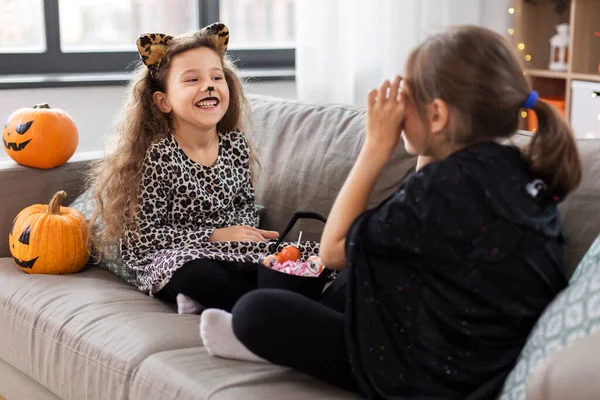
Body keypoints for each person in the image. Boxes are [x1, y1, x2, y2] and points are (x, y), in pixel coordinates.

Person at [199, 25, 583, 399]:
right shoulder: (515, 169)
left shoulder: (445, 188)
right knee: (368, 261)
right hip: (472, 354)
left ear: (437, 115)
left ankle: (267, 343)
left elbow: (332, 250)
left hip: (430, 377)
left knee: (257, 311)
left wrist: (376, 145)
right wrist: (428, 141)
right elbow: (408, 227)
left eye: (406, 97)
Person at [88, 23, 319, 314]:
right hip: (174, 256)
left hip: (227, 251)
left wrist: (246, 236)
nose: (208, 85)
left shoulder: (235, 144)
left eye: (216, 77)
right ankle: (264, 309)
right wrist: (213, 235)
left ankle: (281, 298)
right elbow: (143, 240)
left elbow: (244, 205)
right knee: (197, 273)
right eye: (192, 79)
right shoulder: (160, 155)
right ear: (163, 101)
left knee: (302, 255)